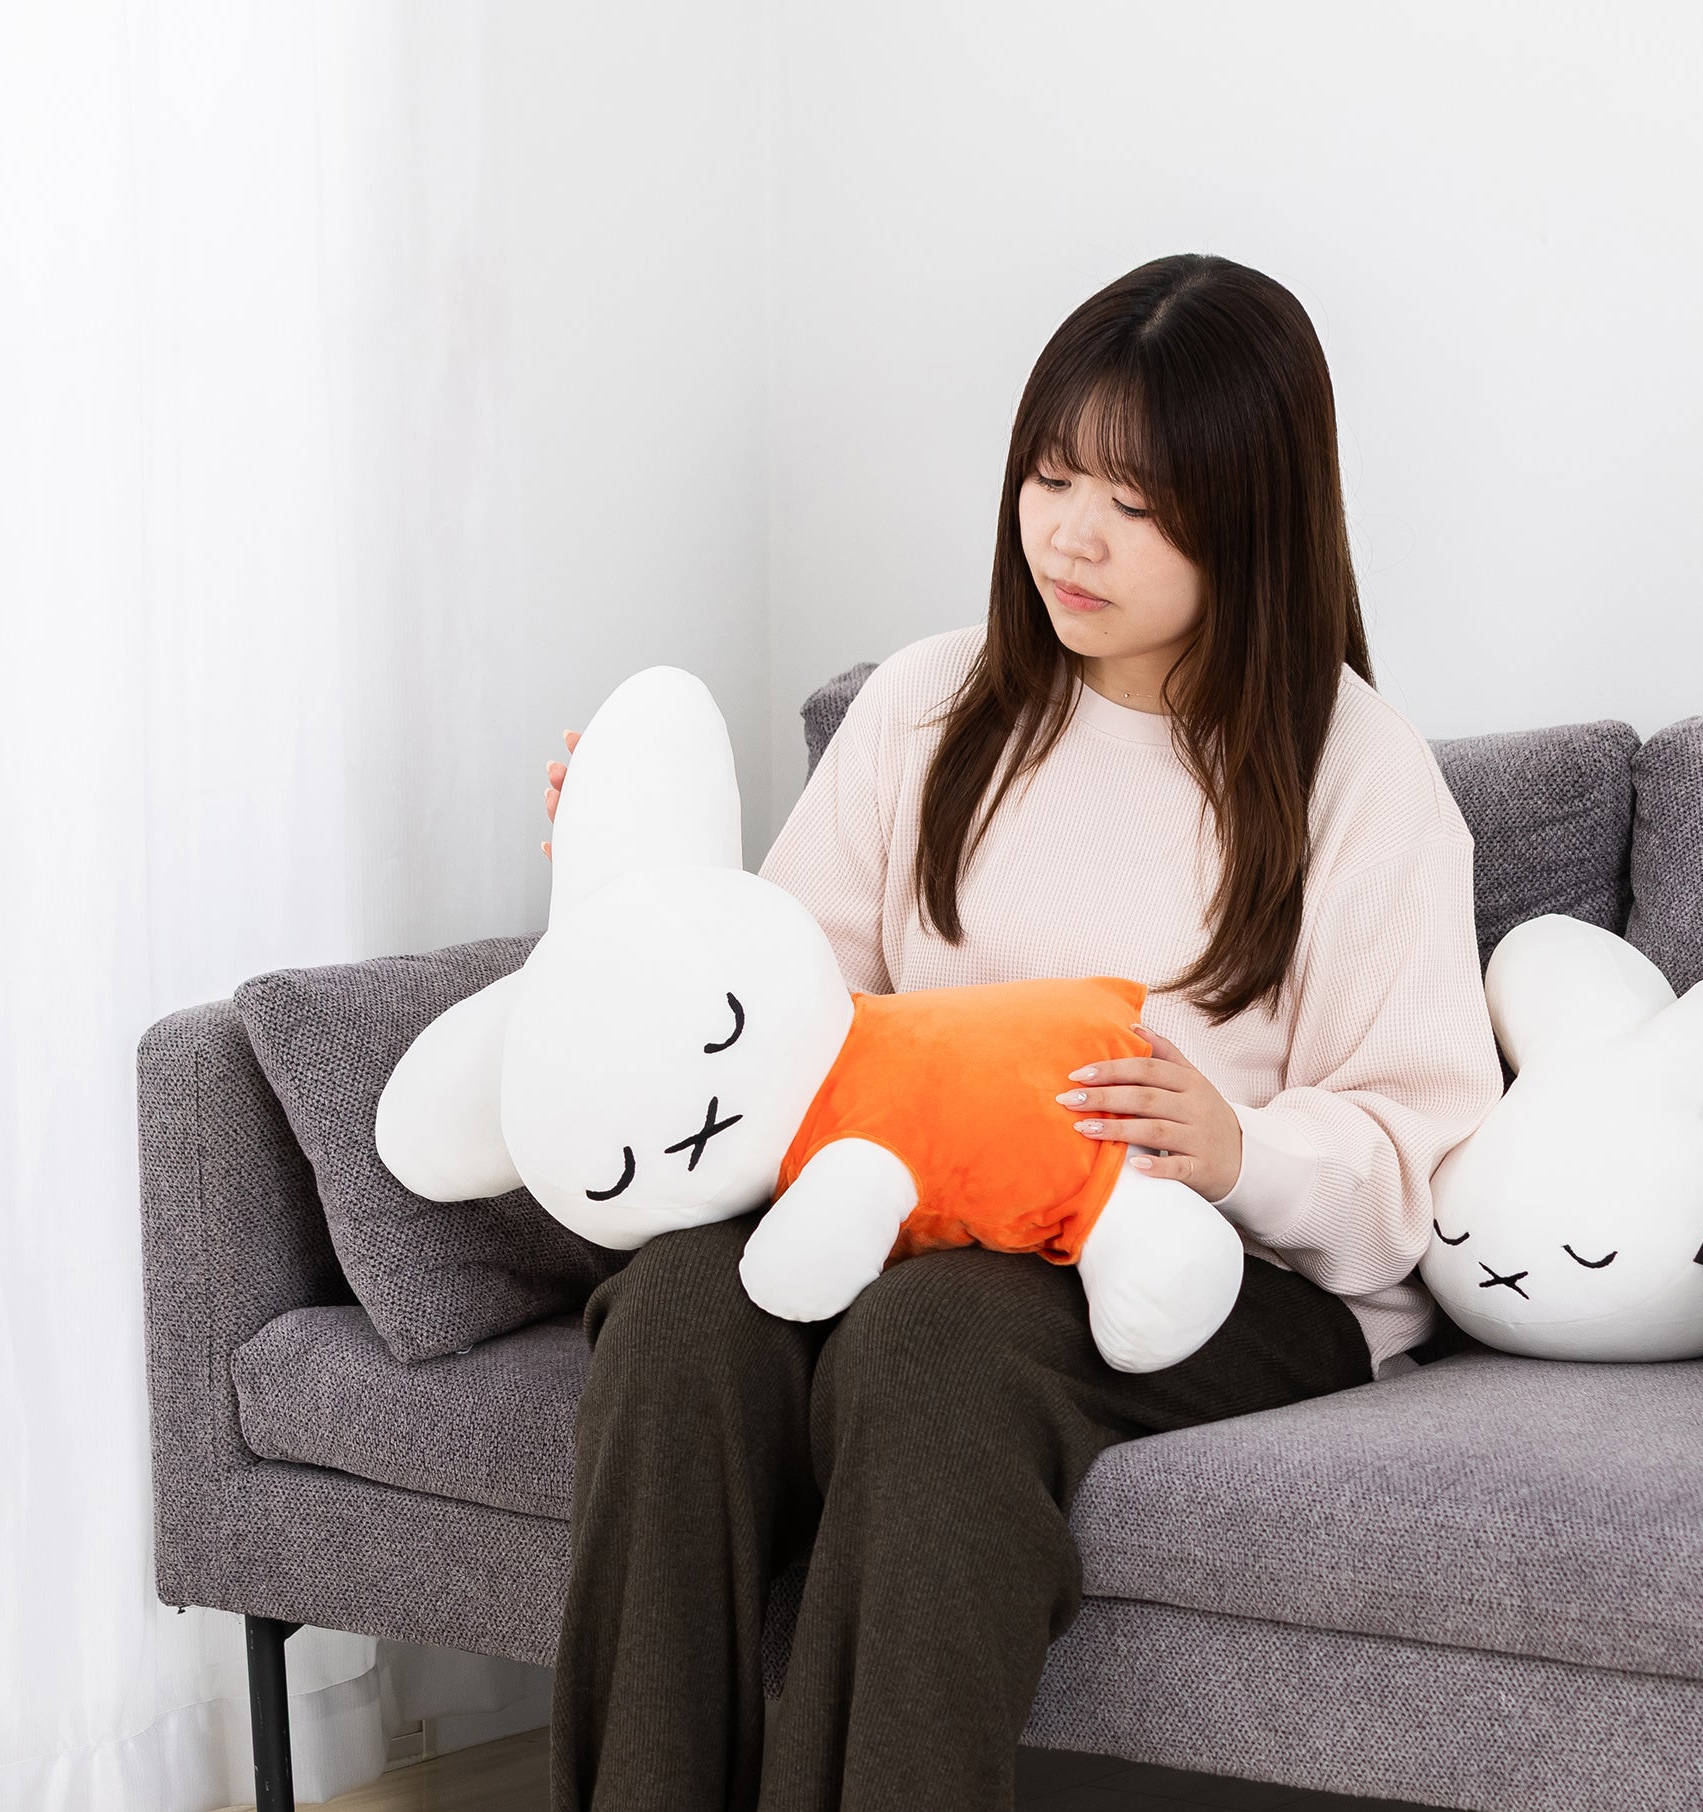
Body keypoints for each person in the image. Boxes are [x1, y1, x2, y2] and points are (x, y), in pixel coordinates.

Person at [542, 253, 1501, 1811]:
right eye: (1050, 478)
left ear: (1251, 514)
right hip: (907, 1206)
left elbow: (1419, 1149)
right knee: (678, 1313)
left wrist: (1238, 1149)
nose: (1070, 534)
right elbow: (781, 1014)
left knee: (933, 1349)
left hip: (1220, 1273)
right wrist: (629, 891)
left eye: (1135, 502)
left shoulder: (1358, 771)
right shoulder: (928, 706)